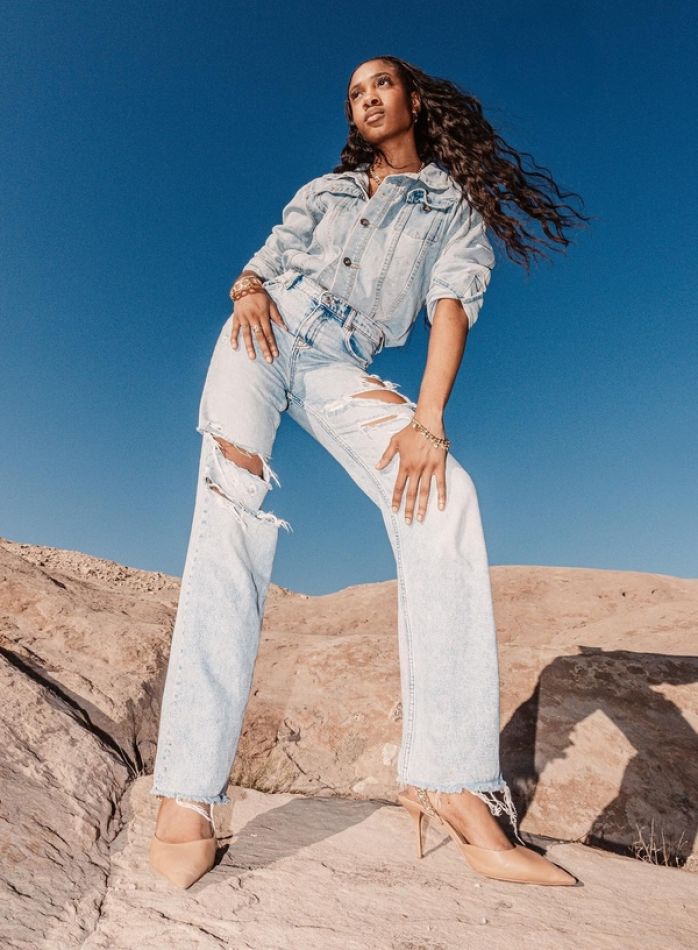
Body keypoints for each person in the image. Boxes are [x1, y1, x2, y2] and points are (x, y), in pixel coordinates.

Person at [148, 55, 588, 889]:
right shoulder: (327, 191)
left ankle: (452, 780)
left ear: (413, 98)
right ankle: (187, 793)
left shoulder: (453, 209)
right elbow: (268, 257)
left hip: (341, 362)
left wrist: (430, 420)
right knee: (231, 511)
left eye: (379, 84)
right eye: (354, 94)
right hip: (264, 333)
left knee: (446, 497)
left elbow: (450, 307)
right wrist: (247, 288)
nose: (366, 99)